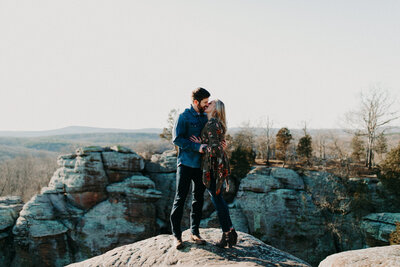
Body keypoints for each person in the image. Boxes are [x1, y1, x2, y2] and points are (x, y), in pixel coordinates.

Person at [190, 99, 237, 248]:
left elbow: (215, 149)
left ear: (215, 109)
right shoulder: (215, 123)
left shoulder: (211, 124)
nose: (207, 104)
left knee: (217, 198)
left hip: (213, 166)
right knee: (218, 198)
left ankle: (228, 233)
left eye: (210, 104)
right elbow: (216, 144)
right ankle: (229, 232)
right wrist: (204, 142)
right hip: (217, 165)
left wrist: (200, 145)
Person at [170, 87, 210, 249]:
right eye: (204, 102)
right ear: (195, 102)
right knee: (180, 200)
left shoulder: (206, 117)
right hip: (185, 164)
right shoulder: (183, 117)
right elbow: (177, 140)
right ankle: (177, 236)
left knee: (198, 199)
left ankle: (195, 232)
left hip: (201, 166)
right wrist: (196, 146)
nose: (207, 105)